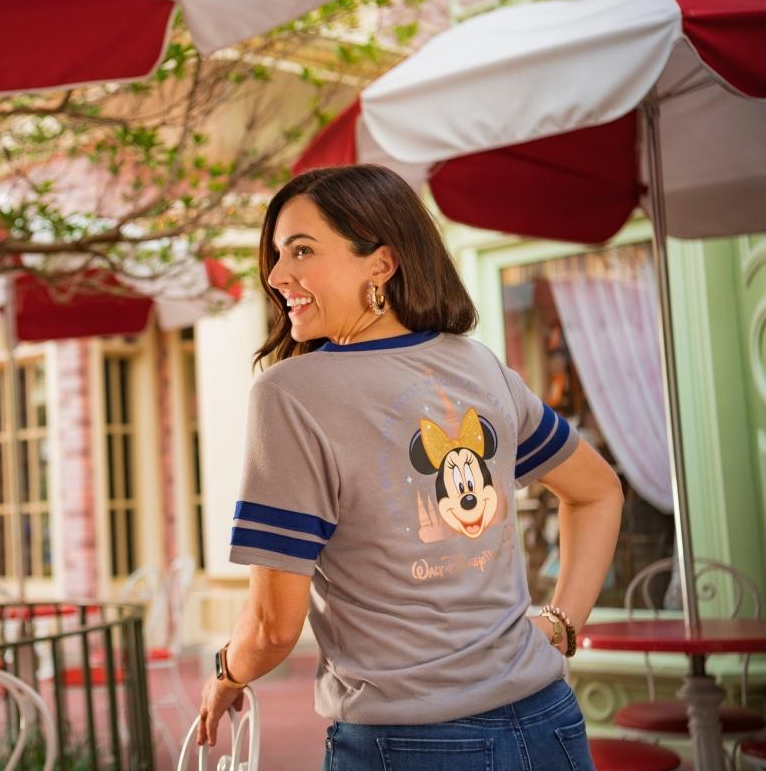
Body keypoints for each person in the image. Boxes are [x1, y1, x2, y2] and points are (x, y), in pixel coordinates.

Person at [196, 165, 623, 770]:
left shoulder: (290, 395)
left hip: (409, 742)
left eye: (302, 250)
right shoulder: (480, 367)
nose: (276, 274)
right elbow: (599, 491)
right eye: (276, 254)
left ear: (381, 263)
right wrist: (561, 624)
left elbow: (271, 628)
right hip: (549, 720)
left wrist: (225, 672)